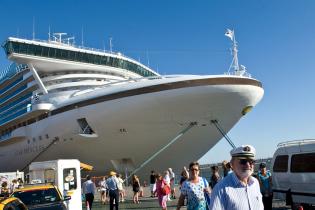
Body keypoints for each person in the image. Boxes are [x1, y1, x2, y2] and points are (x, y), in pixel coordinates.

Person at [210, 145, 264, 210]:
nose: (248, 165)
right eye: (243, 161)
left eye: (251, 161)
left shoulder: (255, 183)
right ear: (232, 164)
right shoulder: (220, 189)